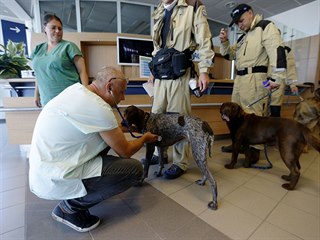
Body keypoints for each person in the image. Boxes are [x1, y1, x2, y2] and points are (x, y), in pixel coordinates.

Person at [29, 66, 159, 232]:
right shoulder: (98, 107)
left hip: (46, 170)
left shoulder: (77, 91)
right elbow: (125, 151)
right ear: (109, 87)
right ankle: (69, 208)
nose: (123, 98)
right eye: (121, 92)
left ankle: (79, 195)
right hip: (56, 176)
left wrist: (127, 129)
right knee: (134, 169)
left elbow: (106, 131)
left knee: (105, 144)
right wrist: (145, 138)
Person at [147, 0, 214, 179]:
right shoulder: (158, 12)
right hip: (161, 75)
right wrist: (153, 70)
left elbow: (204, 40)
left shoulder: (193, 5)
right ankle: (158, 154)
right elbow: (156, 47)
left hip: (180, 73)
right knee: (156, 116)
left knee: (179, 119)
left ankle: (180, 162)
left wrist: (204, 70)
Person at [219, 3, 287, 163]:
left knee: (254, 115)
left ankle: (253, 152)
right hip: (240, 80)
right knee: (235, 116)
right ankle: (238, 144)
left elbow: (277, 50)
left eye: (241, 20)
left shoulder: (265, 27)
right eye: (237, 23)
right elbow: (230, 55)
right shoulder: (244, 37)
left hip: (256, 79)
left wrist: (277, 78)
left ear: (250, 13)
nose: (239, 25)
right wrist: (224, 42)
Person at [31, 14, 89, 107]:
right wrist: (36, 94)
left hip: (69, 98)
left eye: (60, 28)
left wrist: (87, 94)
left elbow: (82, 71)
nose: (57, 31)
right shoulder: (38, 49)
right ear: (44, 28)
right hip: (47, 99)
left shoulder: (69, 46)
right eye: (53, 28)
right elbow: (39, 74)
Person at [269, 41, 299, 117]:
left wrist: (293, 84)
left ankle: (275, 125)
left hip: (278, 81)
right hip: (264, 80)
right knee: (263, 104)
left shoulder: (285, 50)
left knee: (275, 105)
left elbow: (291, 67)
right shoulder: (264, 48)